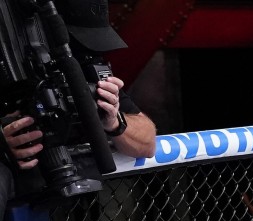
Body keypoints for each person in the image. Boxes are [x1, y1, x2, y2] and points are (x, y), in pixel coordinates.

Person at [2, 0, 157, 172]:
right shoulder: (12, 63)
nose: (87, 54)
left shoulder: (85, 66)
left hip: (76, 189)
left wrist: (114, 121)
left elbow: (148, 143)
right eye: (78, 45)